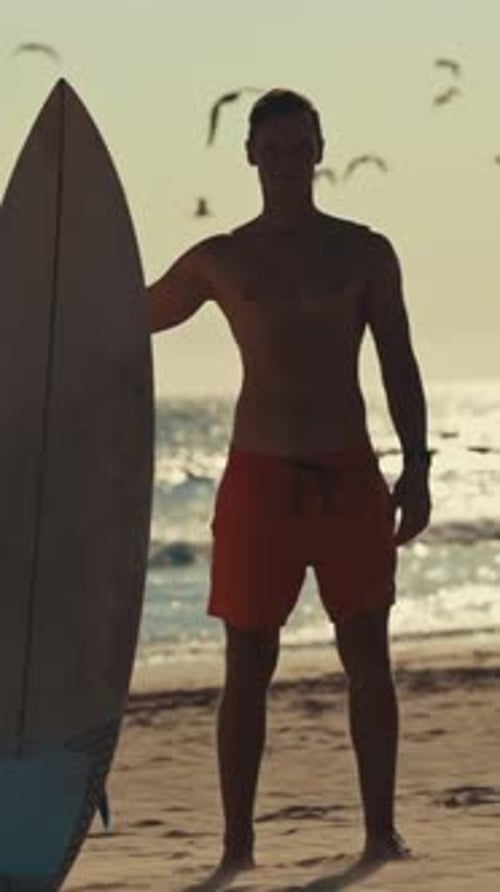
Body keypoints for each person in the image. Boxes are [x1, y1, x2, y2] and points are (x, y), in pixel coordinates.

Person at [148, 89, 431, 877]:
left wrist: (417, 463)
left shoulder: (365, 252)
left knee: (367, 652)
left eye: (298, 146)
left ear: (319, 150)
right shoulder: (222, 258)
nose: (285, 162)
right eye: (271, 149)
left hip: (348, 475)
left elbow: (398, 361)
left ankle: (381, 832)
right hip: (259, 481)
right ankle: (238, 846)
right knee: (247, 660)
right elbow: (134, 313)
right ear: (249, 156)